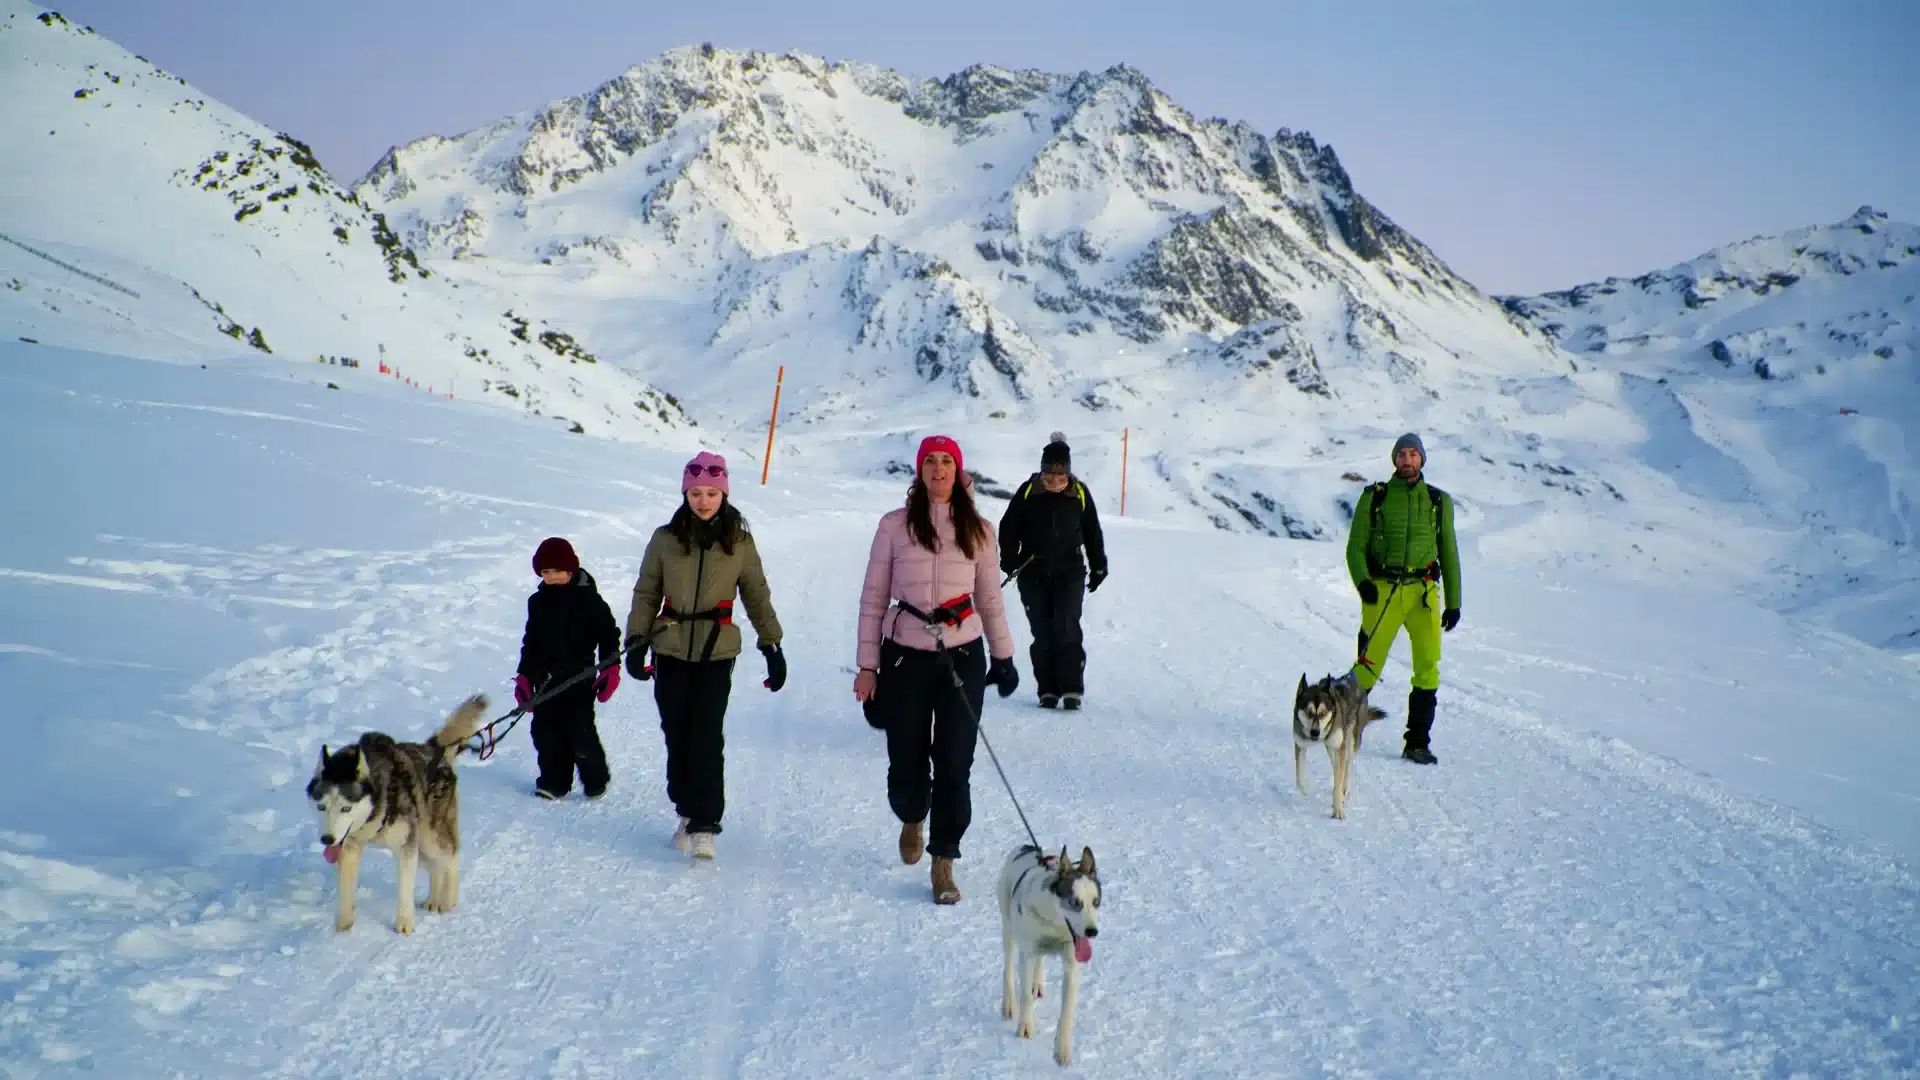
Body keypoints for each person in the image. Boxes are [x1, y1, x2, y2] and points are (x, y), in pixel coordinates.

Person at [854, 435, 1020, 905]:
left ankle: (943, 860)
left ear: (958, 470)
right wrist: (869, 666)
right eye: (931, 461)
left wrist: (1003, 656)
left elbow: (989, 598)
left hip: (962, 656)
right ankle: (913, 813)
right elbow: (872, 600)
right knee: (906, 762)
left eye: (947, 461)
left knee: (955, 762)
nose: (939, 469)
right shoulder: (893, 526)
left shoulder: (981, 531)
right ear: (920, 470)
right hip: (904, 656)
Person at [625, 452, 785, 861]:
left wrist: (772, 644)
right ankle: (686, 807)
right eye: (695, 493)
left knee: (706, 734)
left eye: (711, 493)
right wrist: (637, 639)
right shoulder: (665, 539)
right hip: (670, 646)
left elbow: (756, 594)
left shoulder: (739, 542)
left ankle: (706, 823)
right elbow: (646, 592)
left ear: (723, 493)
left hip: (718, 649)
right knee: (676, 733)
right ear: (685, 493)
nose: (703, 500)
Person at [1344, 433, 1462, 765]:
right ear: (1394, 460)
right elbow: (1355, 547)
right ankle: (1347, 725)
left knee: (1428, 668)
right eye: (1401, 454)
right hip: (1382, 590)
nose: (1407, 460)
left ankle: (1417, 743)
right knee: (1367, 666)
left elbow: (1449, 554)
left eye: (1413, 454)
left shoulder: (1439, 502)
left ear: (1422, 459)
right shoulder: (1375, 497)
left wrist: (1454, 602)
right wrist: (1363, 583)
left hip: (1424, 594)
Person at [998, 430, 1108, 710]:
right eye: (1049, 476)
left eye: (1060, 477)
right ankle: (1047, 690)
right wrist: (1009, 560)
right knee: (1043, 632)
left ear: (1069, 474)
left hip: (1069, 571)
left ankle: (1071, 689)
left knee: (1066, 626)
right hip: (1032, 572)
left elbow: (1092, 532)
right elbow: (1008, 528)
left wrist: (1098, 567)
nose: (1055, 482)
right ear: (1041, 471)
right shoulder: (1027, 491)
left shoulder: (1079, 493)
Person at [515, 537, 623, 800]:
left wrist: (610, 668)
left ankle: (595, 777)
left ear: (571, 569)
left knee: (580, 730)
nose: (552, 577)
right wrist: (524, 675)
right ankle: (554, 781)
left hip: (578, 676)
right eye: (545, 572)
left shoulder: (590, 601)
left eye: (557, 571)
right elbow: (531, 640)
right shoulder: (537, 602)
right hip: (544, 679)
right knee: (545, 731)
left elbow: (609, 635)